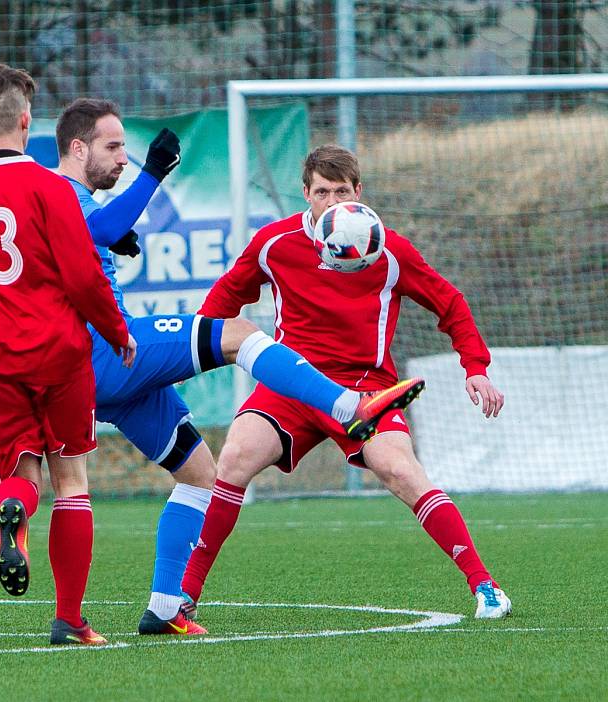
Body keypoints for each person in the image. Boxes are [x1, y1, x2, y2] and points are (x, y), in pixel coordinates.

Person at [54, 101, 426, 636]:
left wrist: (109, 241)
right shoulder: (63, 189)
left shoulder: (71, 201)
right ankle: (347, 404)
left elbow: (83, 241)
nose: (123, 158)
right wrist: (153, 174)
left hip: (111, 378)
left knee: (199, 473)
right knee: (239, 333)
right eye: (114, 147)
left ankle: (164, 608)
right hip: (109, 352)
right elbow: (99, 228)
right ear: (79, 148)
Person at [180, 144, 512, 621]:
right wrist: (187, 356)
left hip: (366, 388)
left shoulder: (390, 249)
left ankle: (486, 587)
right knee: (233, 458)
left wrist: (475, 367)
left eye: (341, 191)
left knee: (399, 470)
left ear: (359, 193)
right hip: (291, 382)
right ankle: (185, 596)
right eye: (321, 192)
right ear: (306, 195)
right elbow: (220, 304)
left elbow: (450, 303)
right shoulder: (275, 243)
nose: (332, 203)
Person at [0, 64, 136, 647]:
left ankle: (13, 512)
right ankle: (70, 620)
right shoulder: (50, 187)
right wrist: (115, 329)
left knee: (20, 473)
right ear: (28, 121)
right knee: (70, 482)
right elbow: (81, 274)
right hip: (58, 352)